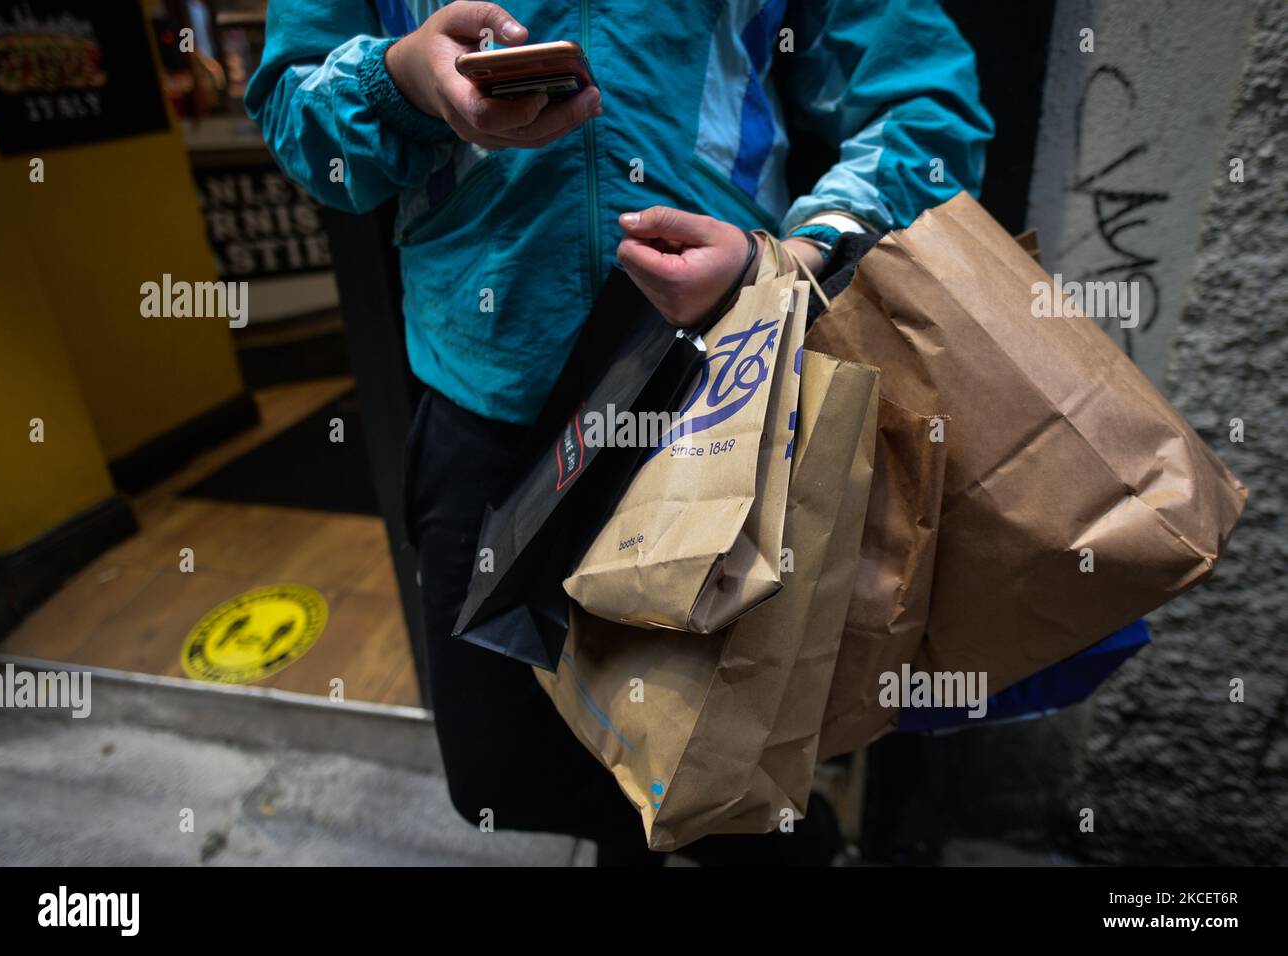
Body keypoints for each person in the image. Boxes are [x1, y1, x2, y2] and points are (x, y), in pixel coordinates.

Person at [247, 0, 992, 865]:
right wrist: (404, 81)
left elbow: (924, 101)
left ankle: (774, 838)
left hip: (721, 392)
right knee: (498, 769)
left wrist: (801, 253)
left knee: (726, 757)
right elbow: (298, 113)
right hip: (489, 396)